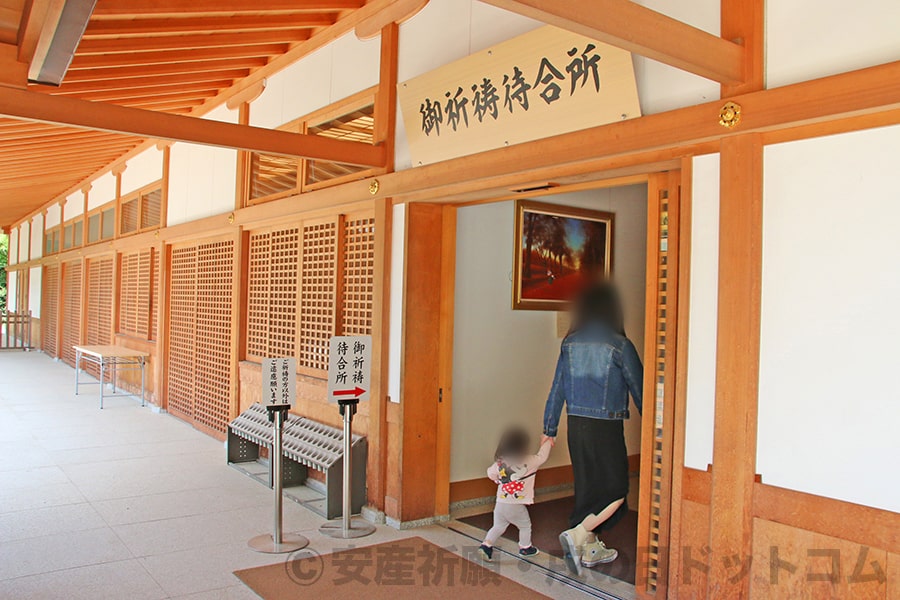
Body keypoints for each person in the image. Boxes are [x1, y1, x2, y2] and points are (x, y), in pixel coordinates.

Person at [541, 281, 643, 576]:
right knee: (616, 491)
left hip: (576, 426)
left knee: (587, 488)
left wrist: (549, 428)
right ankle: (576, 535)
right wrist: (657, 429)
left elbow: (556, 389)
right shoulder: (620, 345)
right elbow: (641, 390)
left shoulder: (569, 344)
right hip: (606, 427)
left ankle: (590, 549)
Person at [477, 426, 553, 561]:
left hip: (500, 503)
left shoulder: (500, 463)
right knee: (525, 525)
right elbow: (542, 457)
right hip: (516, 504)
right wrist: (549, 440)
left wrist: (497, 480)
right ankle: (525, 547)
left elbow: (490, 473)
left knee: (498, 526)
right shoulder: (527, 461)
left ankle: (486, 545)